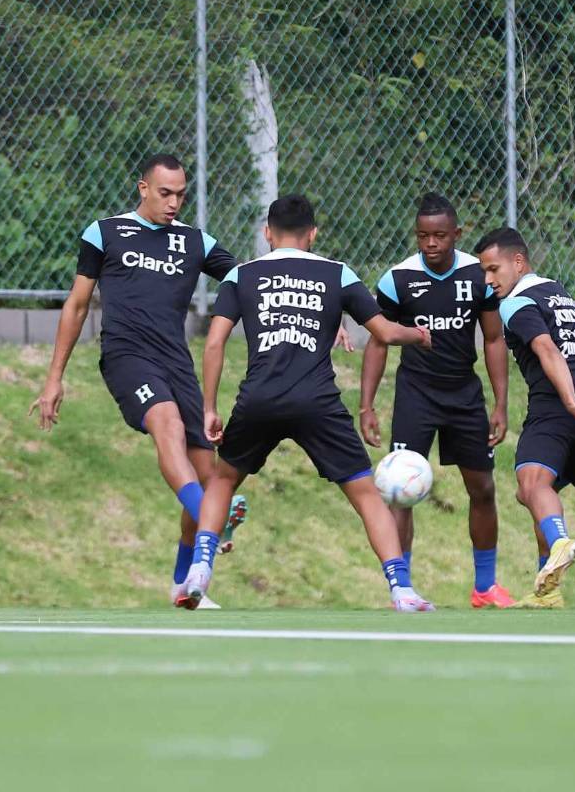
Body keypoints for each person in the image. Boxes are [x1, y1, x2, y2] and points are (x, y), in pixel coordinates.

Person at [178, 194, 435, 612]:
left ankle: (199, 570)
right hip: (317, 402)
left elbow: (214, 343)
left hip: (259, 399)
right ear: (313, 234)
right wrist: (418, 335)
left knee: (222, 481)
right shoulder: (336, 273)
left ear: (267, 233)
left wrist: (208, 407)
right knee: (366, 495)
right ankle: (402, 589)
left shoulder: (241, 275)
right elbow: (386, 333)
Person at [29, 154, 246, 609]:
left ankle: (183, 582)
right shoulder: (104, 233)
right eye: (165, 193)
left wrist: (330, 318)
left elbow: (252, 282)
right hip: (127, 356)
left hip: (176, 363)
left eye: (180, 195)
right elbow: (76, 305)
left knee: (207, 475)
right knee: (166, 424)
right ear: (143, 188)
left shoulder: (195, 241)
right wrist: (54, 379)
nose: (173, 203)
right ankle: (215, 521)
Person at [358, 193, 514, 608]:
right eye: (423, 235)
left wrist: (500, 403)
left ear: (456, 234)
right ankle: (402, 588)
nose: (431, 243)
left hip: (464, 396)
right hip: (416, 395)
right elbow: (378, 342)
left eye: (440, 236)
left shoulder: (477, 275)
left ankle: (485, 586)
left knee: (483, 488)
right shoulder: (397, 279)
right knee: (398, 492)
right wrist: (367, 406)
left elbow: (494, 339)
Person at [474, 227, 575, 609]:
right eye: (484, 272)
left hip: (559, 406)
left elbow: (547, 349)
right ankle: (547, 590)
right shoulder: (554, 290)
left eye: (494, 269)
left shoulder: (515, 303)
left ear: (518, 262)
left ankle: (560, 543)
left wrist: (569, 402)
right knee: (536, 492)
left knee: (531, 484)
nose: (488, 280)